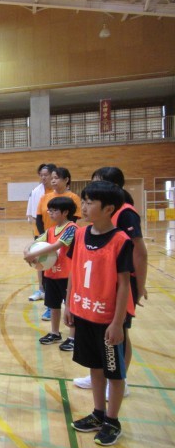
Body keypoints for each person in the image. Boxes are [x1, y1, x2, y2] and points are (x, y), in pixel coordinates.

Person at [64, 180, 134, 446]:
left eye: (90, 202)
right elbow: (74, 271)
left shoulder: (121, 240)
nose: (83, 206)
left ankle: (113, 421)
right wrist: (69, 304)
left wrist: (117, 323)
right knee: (94, 366)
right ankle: (98, 413)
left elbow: (124, 284)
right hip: (84, 314)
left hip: (107, 321)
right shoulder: (80, 234)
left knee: (114, 373)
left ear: (108, 209)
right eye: (83, 201)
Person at [74, 167, 148, 399]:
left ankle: (119, 380)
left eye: (98, 183)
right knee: (100, 339)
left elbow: (140, 251)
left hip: (122, 280)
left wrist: (141, 284)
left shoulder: (125, 214)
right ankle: (99, 374)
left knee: (119, 332)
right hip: (99, 283)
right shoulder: (86, 230)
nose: (86, 204)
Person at [24, 197, 78, 351]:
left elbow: (57, 245)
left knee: (71, 307)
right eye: (50, 210)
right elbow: (36, 241)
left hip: (67, 276)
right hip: (51, 274)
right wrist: (27, 250)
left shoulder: (72, 228)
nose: (50, 213)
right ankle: (55, 333)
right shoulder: (50, 230)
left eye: (54, 211)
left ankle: (73, 337)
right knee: (53, 306)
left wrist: (34, 254)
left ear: (65, 212)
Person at [36, 167, 82, 320]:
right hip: (49, 240)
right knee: (49, 275)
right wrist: (42, 240)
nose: (53, 180)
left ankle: (71, 318)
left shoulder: (73, 199)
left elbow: (73, 220)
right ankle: (50, 310)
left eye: (56, 177)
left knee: (66, 286)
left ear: (66, 180)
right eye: (52, 178)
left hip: (63, 245)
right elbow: (39, 218)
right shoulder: (45, 197)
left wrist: (39, 250)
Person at [27, 163, 56, 302]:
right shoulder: (36, 192)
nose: (43, 177)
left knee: (56, 261)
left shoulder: (57, 191)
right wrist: (41, 234)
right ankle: (41, 289)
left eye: (46, 175)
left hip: (57, 232)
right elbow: (32, 215)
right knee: (40, 261)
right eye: (41, 175)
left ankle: (57, 291)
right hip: (40, 232)